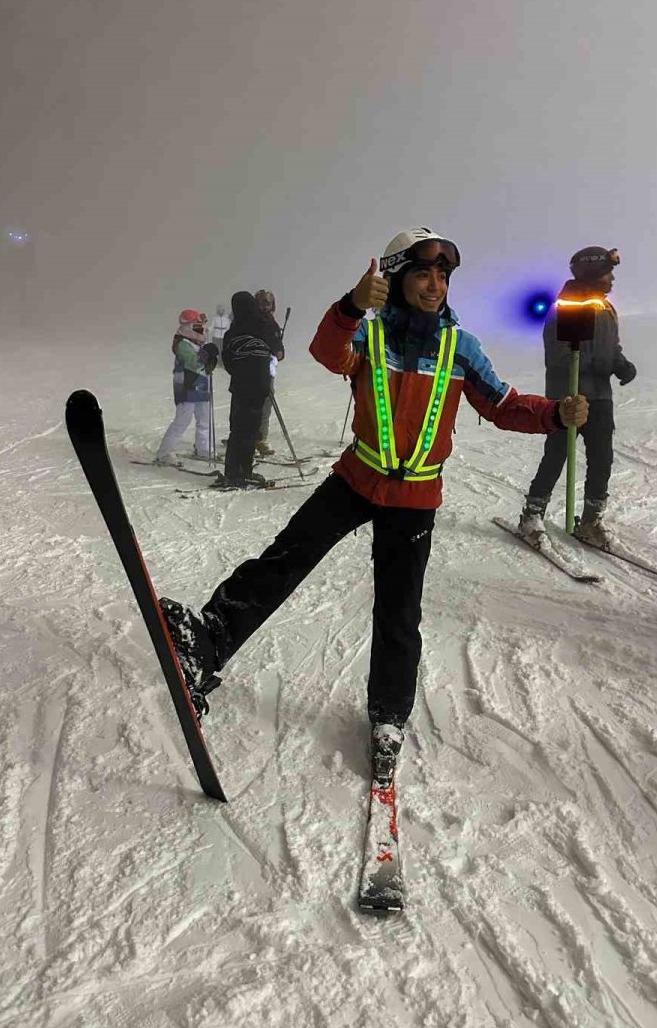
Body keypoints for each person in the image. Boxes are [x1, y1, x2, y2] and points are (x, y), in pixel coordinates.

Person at [159, 228, 588, 769]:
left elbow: (502, 405)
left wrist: (553, 414)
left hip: (415, 497)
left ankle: (388, 714)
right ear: (400, 278)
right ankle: (209, 642)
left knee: (398, 610)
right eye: (423, 274)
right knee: (284, 559)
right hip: (357, 477)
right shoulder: (371, 334)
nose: (434, 285)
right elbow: (325, 351)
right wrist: (350, 305)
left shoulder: (460, 346)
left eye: (443, 277)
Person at [519, 246, 636, 546]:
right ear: (593, 273)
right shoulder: (566, 306)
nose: (613, 279)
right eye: (608, 272)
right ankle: (532, 514)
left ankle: (591, 520)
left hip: (600, 397)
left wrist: (620, 365)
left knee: (602, 458)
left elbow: (611, 348)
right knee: (557, 454)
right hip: (567, 397)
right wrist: (601, 364)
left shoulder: (606, 309)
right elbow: (559, 355)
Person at [217, 291, 284, 487]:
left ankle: (237, 471)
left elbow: (228, 362)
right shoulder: (263, 326)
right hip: (259, 386)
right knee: (249, 430)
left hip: (240, 387)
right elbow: (275, 349)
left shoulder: (232, 332)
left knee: (239, 430)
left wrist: (241, 371)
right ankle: (240, 471)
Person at [154, 310, 219, 467]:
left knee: (204, 417)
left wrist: (211, 360)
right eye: (198, 328)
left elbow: (203, 364)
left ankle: (204, 448)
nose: (202, 331)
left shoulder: (197, 344)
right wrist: (206, 354)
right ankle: (165, 452)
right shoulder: (183, 344)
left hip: (200, 381)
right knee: (183, 418)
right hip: (186, 382)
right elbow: (193, 362)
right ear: (189, 327)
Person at [253, 289, 285, 458]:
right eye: (262, 303)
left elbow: (277, 343)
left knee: (267, 403)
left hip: (269, 369)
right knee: (253, 404)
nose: (265, 306)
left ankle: (261, 438)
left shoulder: (271, 322)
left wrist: (279, 351)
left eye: (268, 303)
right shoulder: (252, 321)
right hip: (255, 370)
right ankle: (250, 436)